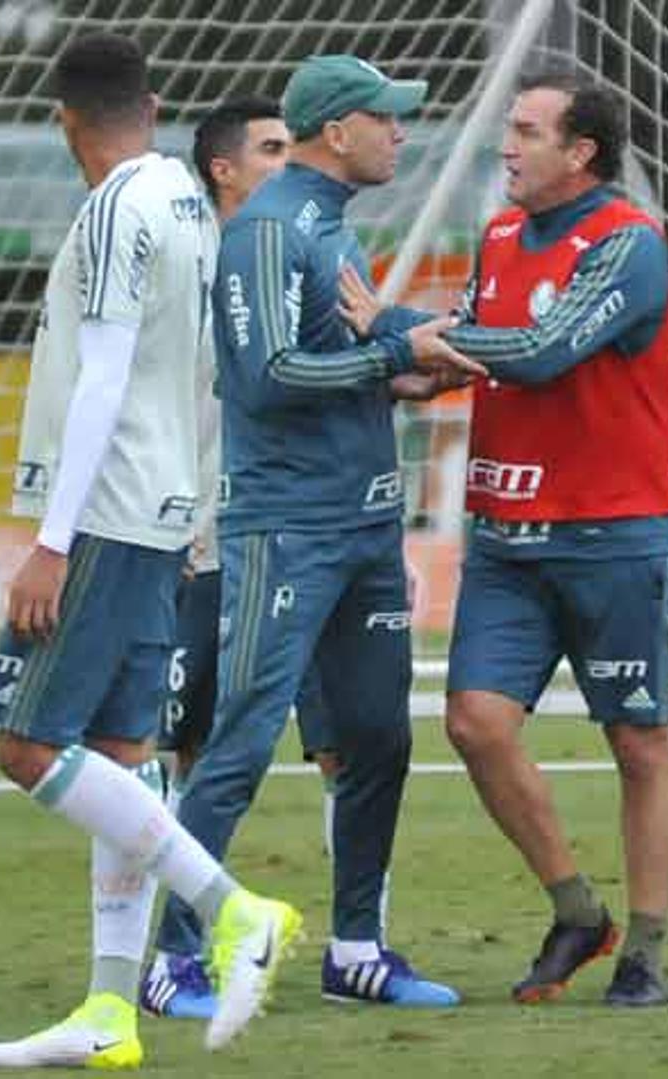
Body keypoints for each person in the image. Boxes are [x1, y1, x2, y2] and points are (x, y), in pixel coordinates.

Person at [0, 34, 301, 1066]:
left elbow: (106, 375)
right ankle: (111, 1010)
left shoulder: (116, 207)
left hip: (105, 515)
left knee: (28, 747)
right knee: (121, 757)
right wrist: (199, 511)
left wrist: (49, 542)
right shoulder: (191, 210)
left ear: (64, 117)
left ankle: (236, 906)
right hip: (163, 510)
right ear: (154, 107)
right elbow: (205, 374)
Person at [359, 69, 668, 1007]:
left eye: (528, 130)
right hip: (506, 537)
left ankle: (647, 953)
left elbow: (540, 353)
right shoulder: (501, 234)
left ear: (580, 153)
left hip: (613, 533)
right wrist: (420, 373)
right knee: (474, 722)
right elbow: (480, 345)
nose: (508, 145)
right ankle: (578, 910)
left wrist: (399, 329)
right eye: (510, 127)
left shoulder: (628, 246)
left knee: (638, 741)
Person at [177, 53, 477, 1010]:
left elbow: (352, 355)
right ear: (338, 131)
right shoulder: (268, 229)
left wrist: (419, 363)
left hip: (363, 526)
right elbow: (268, 374)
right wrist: (397, 346)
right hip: (288, 530)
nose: (402, 133)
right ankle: (171, 957)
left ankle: (357, 949)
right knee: (243, 739)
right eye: (387, 119)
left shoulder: (331, 226)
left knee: (380, 737)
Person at [141, 94, 341, 1021]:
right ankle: (165, 951)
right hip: (209, 544)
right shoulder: (187, 272)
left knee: (345, 740)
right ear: (223, 169)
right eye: (270, 148)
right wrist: (175, 526)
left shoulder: (305, 257)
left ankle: (358, 942)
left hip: (303, 533)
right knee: (187, 746)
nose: (286, 159)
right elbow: (162, 415)